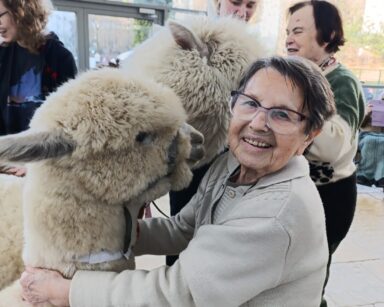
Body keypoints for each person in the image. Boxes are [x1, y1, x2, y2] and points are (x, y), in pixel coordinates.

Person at [20, 56, 335, 307]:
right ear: (234, 104)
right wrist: (106, 229)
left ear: (310, 134)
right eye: (250, 103)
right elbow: (184, 228)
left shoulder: (276, 215)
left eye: (282, 114)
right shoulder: (232, 164)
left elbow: (179, 294)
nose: (257, 123)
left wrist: (68, 292)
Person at [167, 0, 260, 267]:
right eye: (235, 2)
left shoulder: (257, 55)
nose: (242, 11)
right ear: (219, 3)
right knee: (180, 237)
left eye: (251, 5)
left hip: (232, 167)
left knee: (219, 246)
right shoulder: (187, 46)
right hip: (190, 164)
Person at [285, 1, 366, 306]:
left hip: (329, 196)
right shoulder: (297, 75)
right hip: (297, 189)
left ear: (329, 34)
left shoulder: (342, 82)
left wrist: (289, 114)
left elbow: (332, 146)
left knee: (311, 273)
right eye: (288, 31)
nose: (289, 38)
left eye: (299, 31)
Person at [0, 0, 77, 176]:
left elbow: (67, 127)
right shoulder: (2, 54)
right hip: (6, 166)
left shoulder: (60, 58)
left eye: (0, 15)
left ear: (21, 12)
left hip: (42, 170)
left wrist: (35, 166)